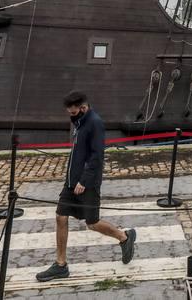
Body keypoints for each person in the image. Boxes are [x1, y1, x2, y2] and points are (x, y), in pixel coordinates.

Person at [36, 91, 137, 282]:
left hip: (86, 184)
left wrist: (84, 180)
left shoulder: (95, 123)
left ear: (83, 108)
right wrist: (71, 178)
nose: (71, 116)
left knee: (92, 223)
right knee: (60, 216)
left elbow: (97, 156)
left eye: (73, 113)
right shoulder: (79, 122)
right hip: (71, 181)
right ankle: (60, 265)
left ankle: (124, 237)